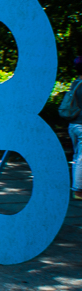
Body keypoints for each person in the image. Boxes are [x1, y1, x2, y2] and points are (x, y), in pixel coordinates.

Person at [66, 56, 82, 201]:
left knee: (77, 156)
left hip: (73, 125)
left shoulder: (75, 83)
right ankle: (78, 190)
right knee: (81, 158)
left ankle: (76, 187)